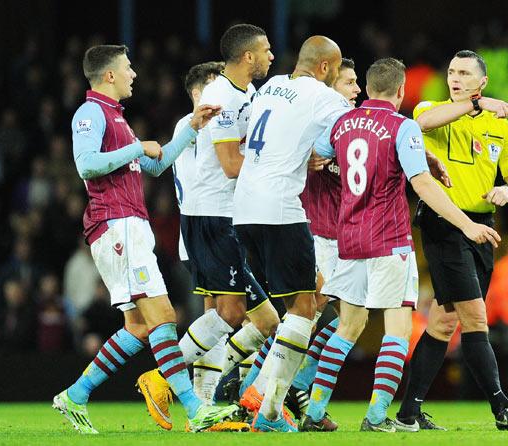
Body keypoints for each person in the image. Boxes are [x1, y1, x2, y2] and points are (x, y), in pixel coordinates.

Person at [298, 57, 500, 432]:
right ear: (401, 91)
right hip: (388, 240)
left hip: (349, 238)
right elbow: (422, 186)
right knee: (397, 332)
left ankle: (313, 411)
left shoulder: (342, 123)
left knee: (348, 327)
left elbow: (316, 157)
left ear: (370, 88)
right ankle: (376, 417)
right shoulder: (401, 126)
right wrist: (468, 224)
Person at [52, 44, 238, 434]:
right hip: (116, 225)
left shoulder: (116, 117)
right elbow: (85, 165)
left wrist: (193, 127)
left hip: (130, 225)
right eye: (128, 67)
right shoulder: (90, 113)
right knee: (164, 318)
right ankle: (195, 408)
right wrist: (136, 146)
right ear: (109, 76)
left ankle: (75, 395)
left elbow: (156, 164)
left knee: (138, 326)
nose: (134, 73)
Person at [136, 24, 280, 430]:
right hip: (212, 220)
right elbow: (232, 165)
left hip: (222, 218)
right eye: (266, 49)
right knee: (232, 313)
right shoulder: (208, 110)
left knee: (253, 319)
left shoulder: (245, 95)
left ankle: (205, 406)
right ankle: (164, 379)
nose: (272, 55)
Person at [395, 50, 508, 431]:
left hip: (482, 226)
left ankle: (409, 412)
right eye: (452, 72)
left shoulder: (501, 127)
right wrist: (473, 106)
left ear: (482, 82)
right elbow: (421, 121)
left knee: (443, 322)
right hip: (444, 224)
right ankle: (502, 406)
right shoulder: (433, 109)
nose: (455, 78)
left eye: (465, 74)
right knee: (475, 316)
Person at [233, 35, 350, 432]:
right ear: (324, 68)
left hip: (244, 208)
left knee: (313, 293)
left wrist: (308, 151)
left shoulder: (270, 87)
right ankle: (270, 411)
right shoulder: (323, 96)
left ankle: (256, 391)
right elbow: (357, 133)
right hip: (280, 207)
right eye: (335, 72)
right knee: (305, 309)